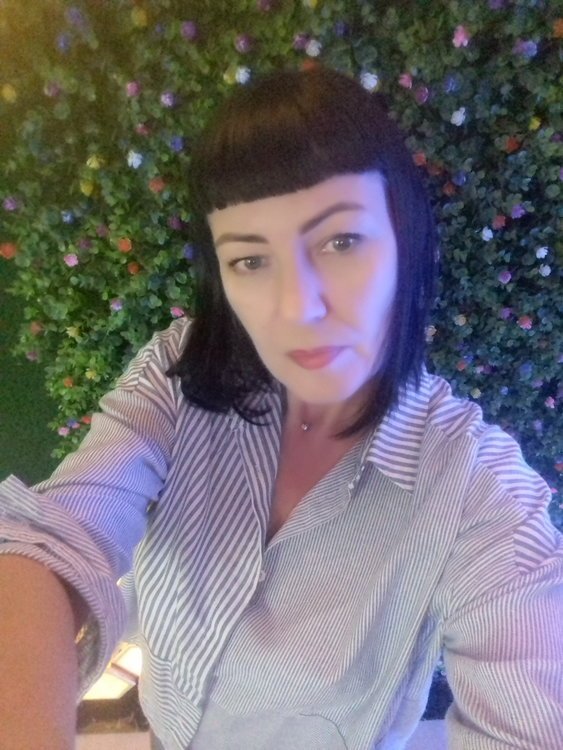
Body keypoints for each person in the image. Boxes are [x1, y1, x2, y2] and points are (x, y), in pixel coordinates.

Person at [0, 66, 561, 750]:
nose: (298, 307)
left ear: (404, 239)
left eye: (340, 242)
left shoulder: (479, 493)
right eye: (250, 260)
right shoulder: (179, 375)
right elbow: (50, 539)